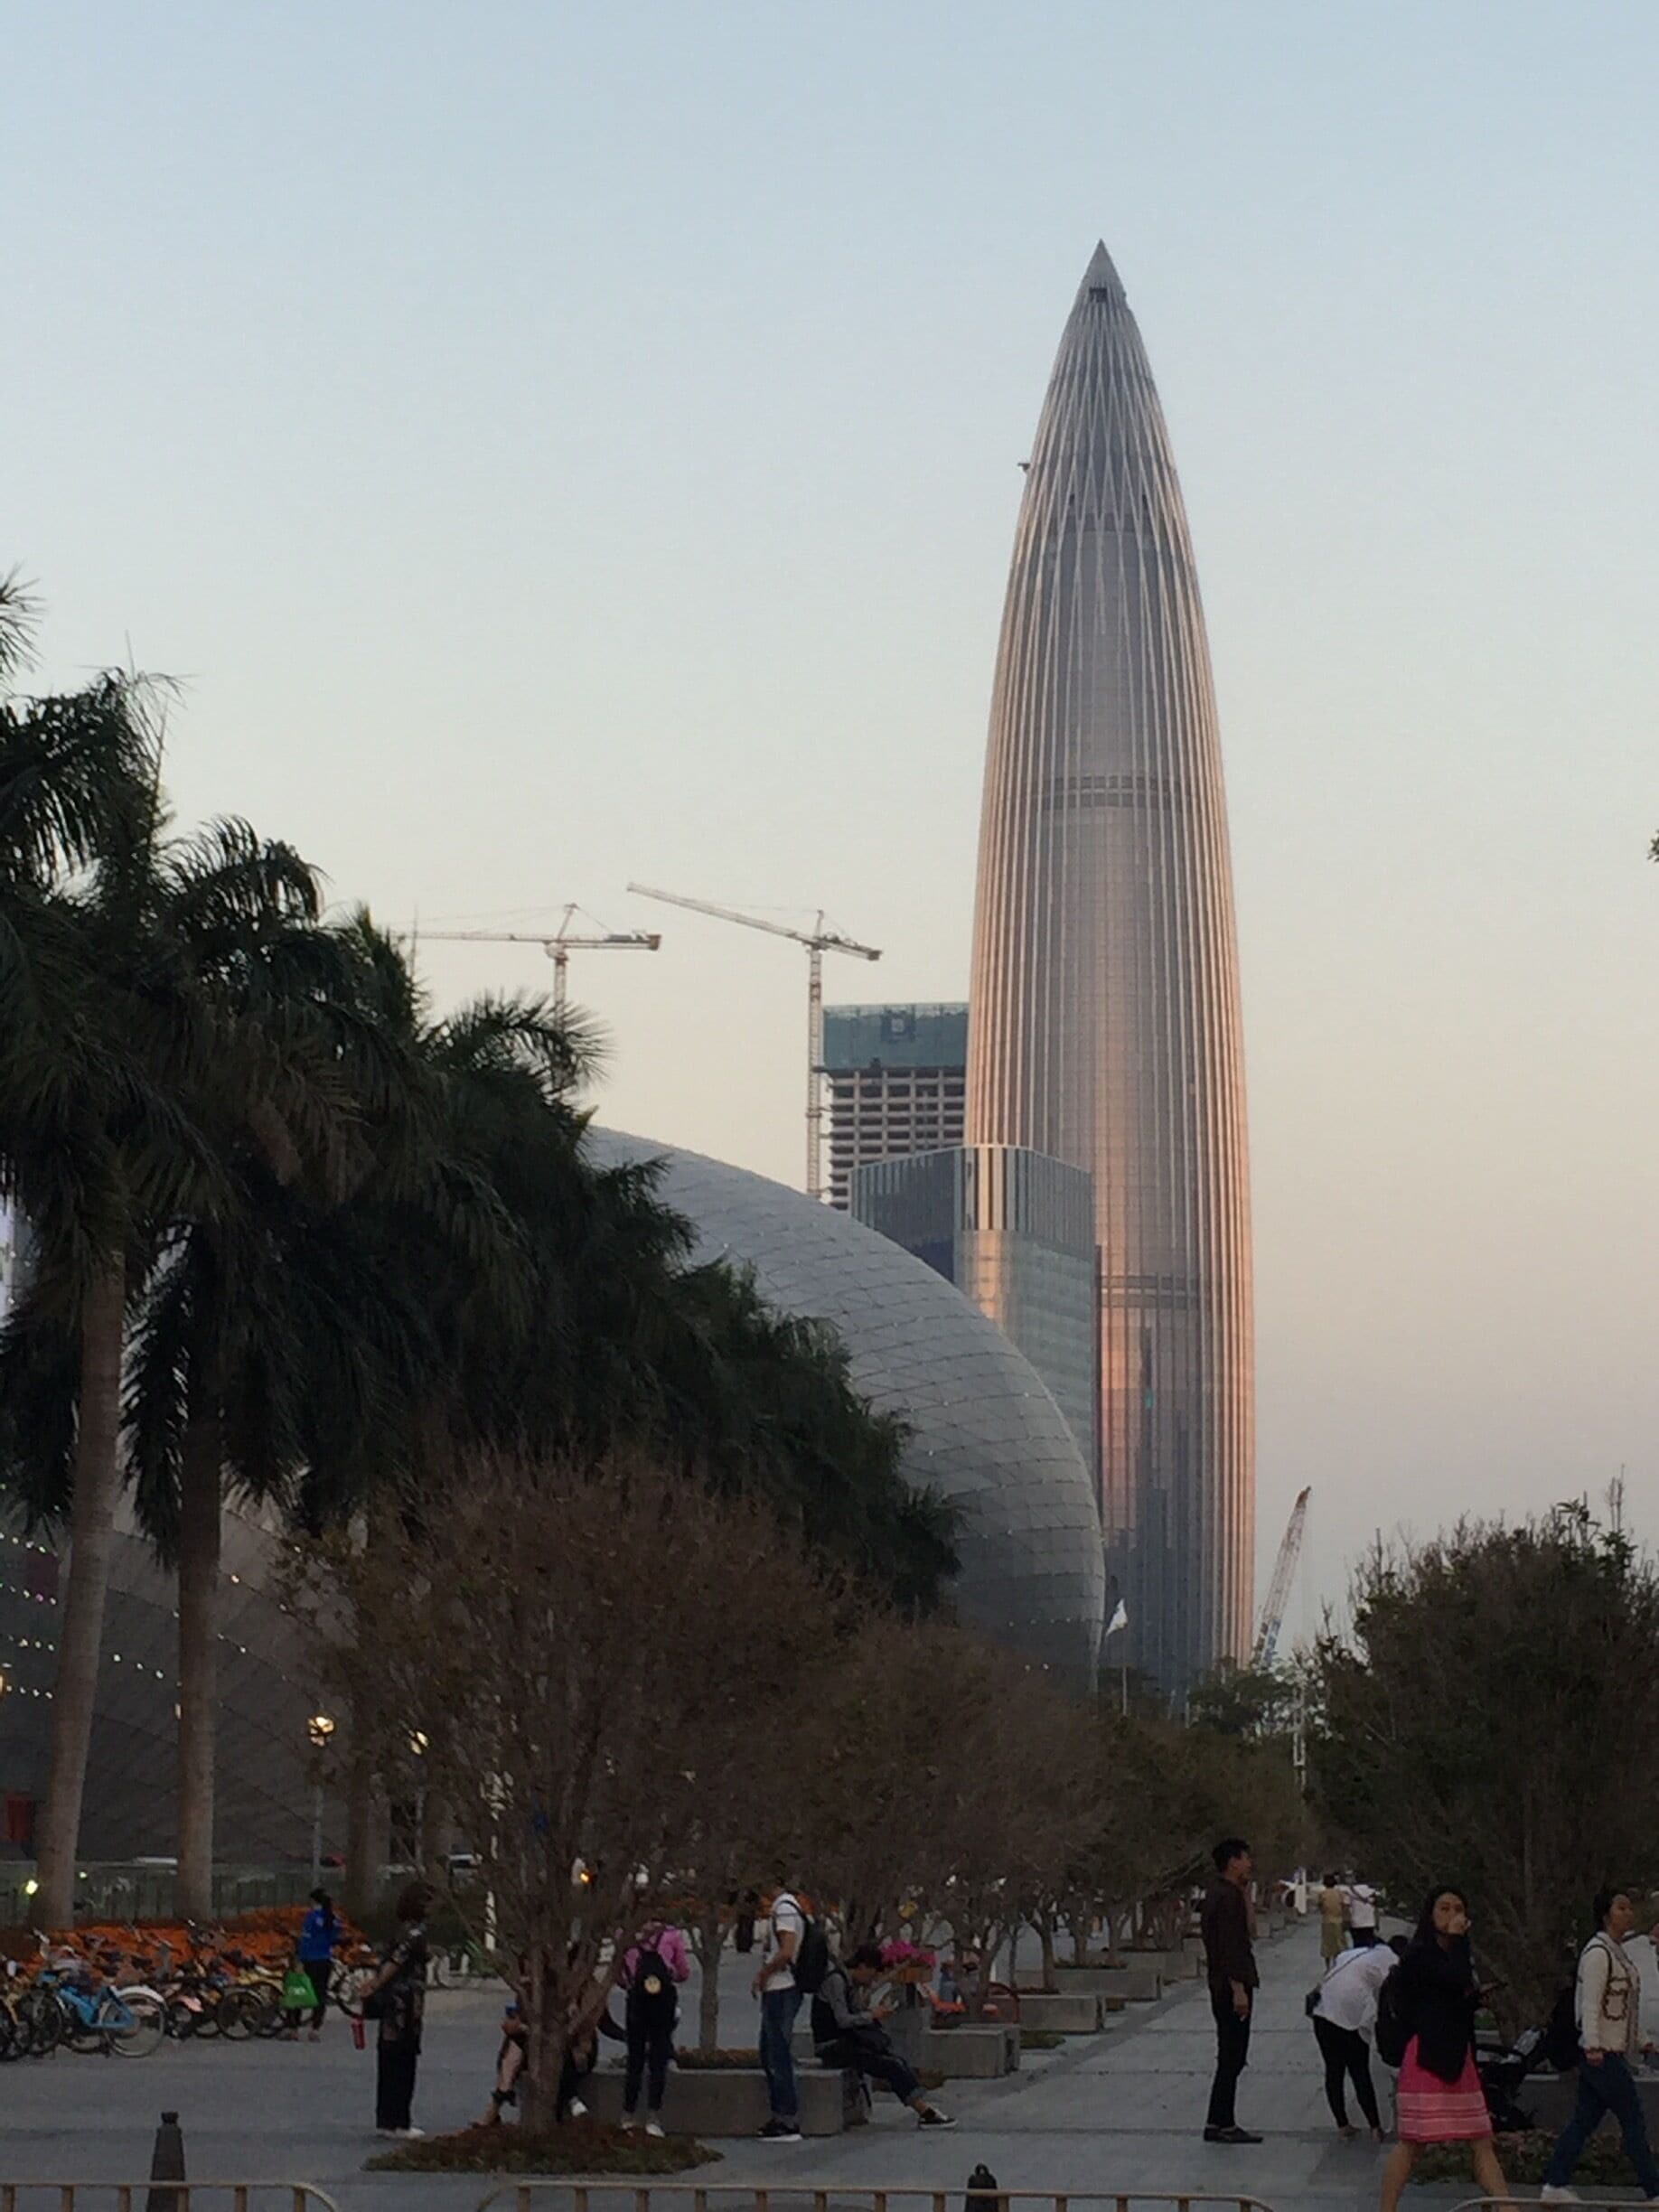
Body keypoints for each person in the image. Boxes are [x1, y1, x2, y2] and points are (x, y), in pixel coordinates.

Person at [1377, 1887, 1510, 2212]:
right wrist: (1460, 1943)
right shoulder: (1420, 1953)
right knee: (1413, 2143)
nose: (1453, 1916)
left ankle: (1507, 2207)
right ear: (1430, 1914)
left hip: (1456, 2055)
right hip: (1426, 2056)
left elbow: (1452, 1995)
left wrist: (1475, 2000)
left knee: (1481, 2138)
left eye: (1458, 1909)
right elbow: (1452, 1980)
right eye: (1444, 1909)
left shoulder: (1453, 1953)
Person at [1540, 1889, 1659, 2205]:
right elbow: (1590, 2004)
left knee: (1584, 2120)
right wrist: (1592, 2045)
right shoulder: (1597, 1953)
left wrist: (1643, 2040)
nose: (1628, 1914)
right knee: (1632, 2119)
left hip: (1613, 2050)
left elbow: (1626, 2007)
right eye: (1621, 1908)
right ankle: (1654, 2189)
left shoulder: (1619, 1954)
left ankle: (1555, 2181)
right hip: (1601, 2054)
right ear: (1606, 1913)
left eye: (1630, 1908)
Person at [811, 1944, 956, 2128]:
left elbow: (855, 2015)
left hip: (846, 2041)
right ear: (862, 1966)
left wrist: (872, 2014)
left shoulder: (849, 1984)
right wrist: (871, 2015)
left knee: (894, 2058)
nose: (872, 1980)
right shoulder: (836, 1981)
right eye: (872, 1974)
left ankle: (922, 2104)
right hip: (831, 2044)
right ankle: (924, 2111)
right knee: (890, 2065)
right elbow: (843, 2020)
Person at [1311, 1935, 1407, 2140]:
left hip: (1322, 2010)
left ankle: (1343, 2125)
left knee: (1334, 2070)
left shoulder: (1356, 1953)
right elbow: (1396, 1998)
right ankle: (1375, 2128)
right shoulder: (1393, 1961)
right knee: (1359, 2070)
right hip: (1351, 2014)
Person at [1201, 1836, 1261, 2144]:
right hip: (1231, 1986)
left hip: (1226, 1982)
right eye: (1245, 1858)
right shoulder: (1224, 1898)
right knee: (1232, 2055)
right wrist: (1238, 1990)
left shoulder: (1229, 1894)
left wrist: (1246, 1893)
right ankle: (1223, 2123)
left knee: (1231, 2055)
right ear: (1233, 1861)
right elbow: (1229, 1947)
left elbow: (1251, 1932)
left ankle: (1217, 2120)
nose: (1249, 1863)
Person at [365, 1881, 432, 2140]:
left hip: (392, 2004)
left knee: (388, 2059)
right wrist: (376, 1983)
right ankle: (400, 2120)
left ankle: (386, 2118)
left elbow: (389, 1959)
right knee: (404, 2062)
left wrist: (376, 1984)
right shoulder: (416, 1933)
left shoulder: (399, 1931)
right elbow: (397, 1961)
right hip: (405, 2002)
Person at [617, 1918, 691, 2135]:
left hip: (637, 2003)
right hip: (662, 2006)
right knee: (658, 2058)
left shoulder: (625, 1935)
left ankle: (628, 2115)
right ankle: (653, 2117)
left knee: (635, 2059)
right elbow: (684, 1973)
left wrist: (633, 1981)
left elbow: (619, 1977)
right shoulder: (672, 1935)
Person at [754, 1883, 807, 2142]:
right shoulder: (789, 1906)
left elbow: (786, 1951)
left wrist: (763, 1974)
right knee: (770, 2052)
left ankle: (787, 2118)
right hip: (782, 1988)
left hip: (781, 1988)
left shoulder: (784, 1909)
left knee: (777, 2054)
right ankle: (780, 2116)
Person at [288, 1887, 339, 2041]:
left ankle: (294, 2029)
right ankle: (315, 2029)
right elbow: (334, 1939)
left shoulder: (311, 1917)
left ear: (314, 1901)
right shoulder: (333, 1919)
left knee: (298, 1993)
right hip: (324, 1960)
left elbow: (305, 1939)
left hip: (307, 1959)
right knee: (320, 1995)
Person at [1319, 1873, 1350, 1964]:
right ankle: (1339, 1964)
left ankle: (1328, 1966)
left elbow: (1321, 1907)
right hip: (1338, 1920)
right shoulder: (1340, 1894)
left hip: (1327, 1921)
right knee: (1340, 1944)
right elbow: (1345, 1906)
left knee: (1327, 1944)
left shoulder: (1322, 1894)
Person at [1347, 1879, 1381, 1949]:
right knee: (1368, 1946)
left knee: (1357, 1945)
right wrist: (1377, 1922)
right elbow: (1376, 1909)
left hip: (1356, 1923)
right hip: (1370, 1923)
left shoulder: (1350, 1891)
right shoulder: (1373, 1891)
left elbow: (1347, 1907)